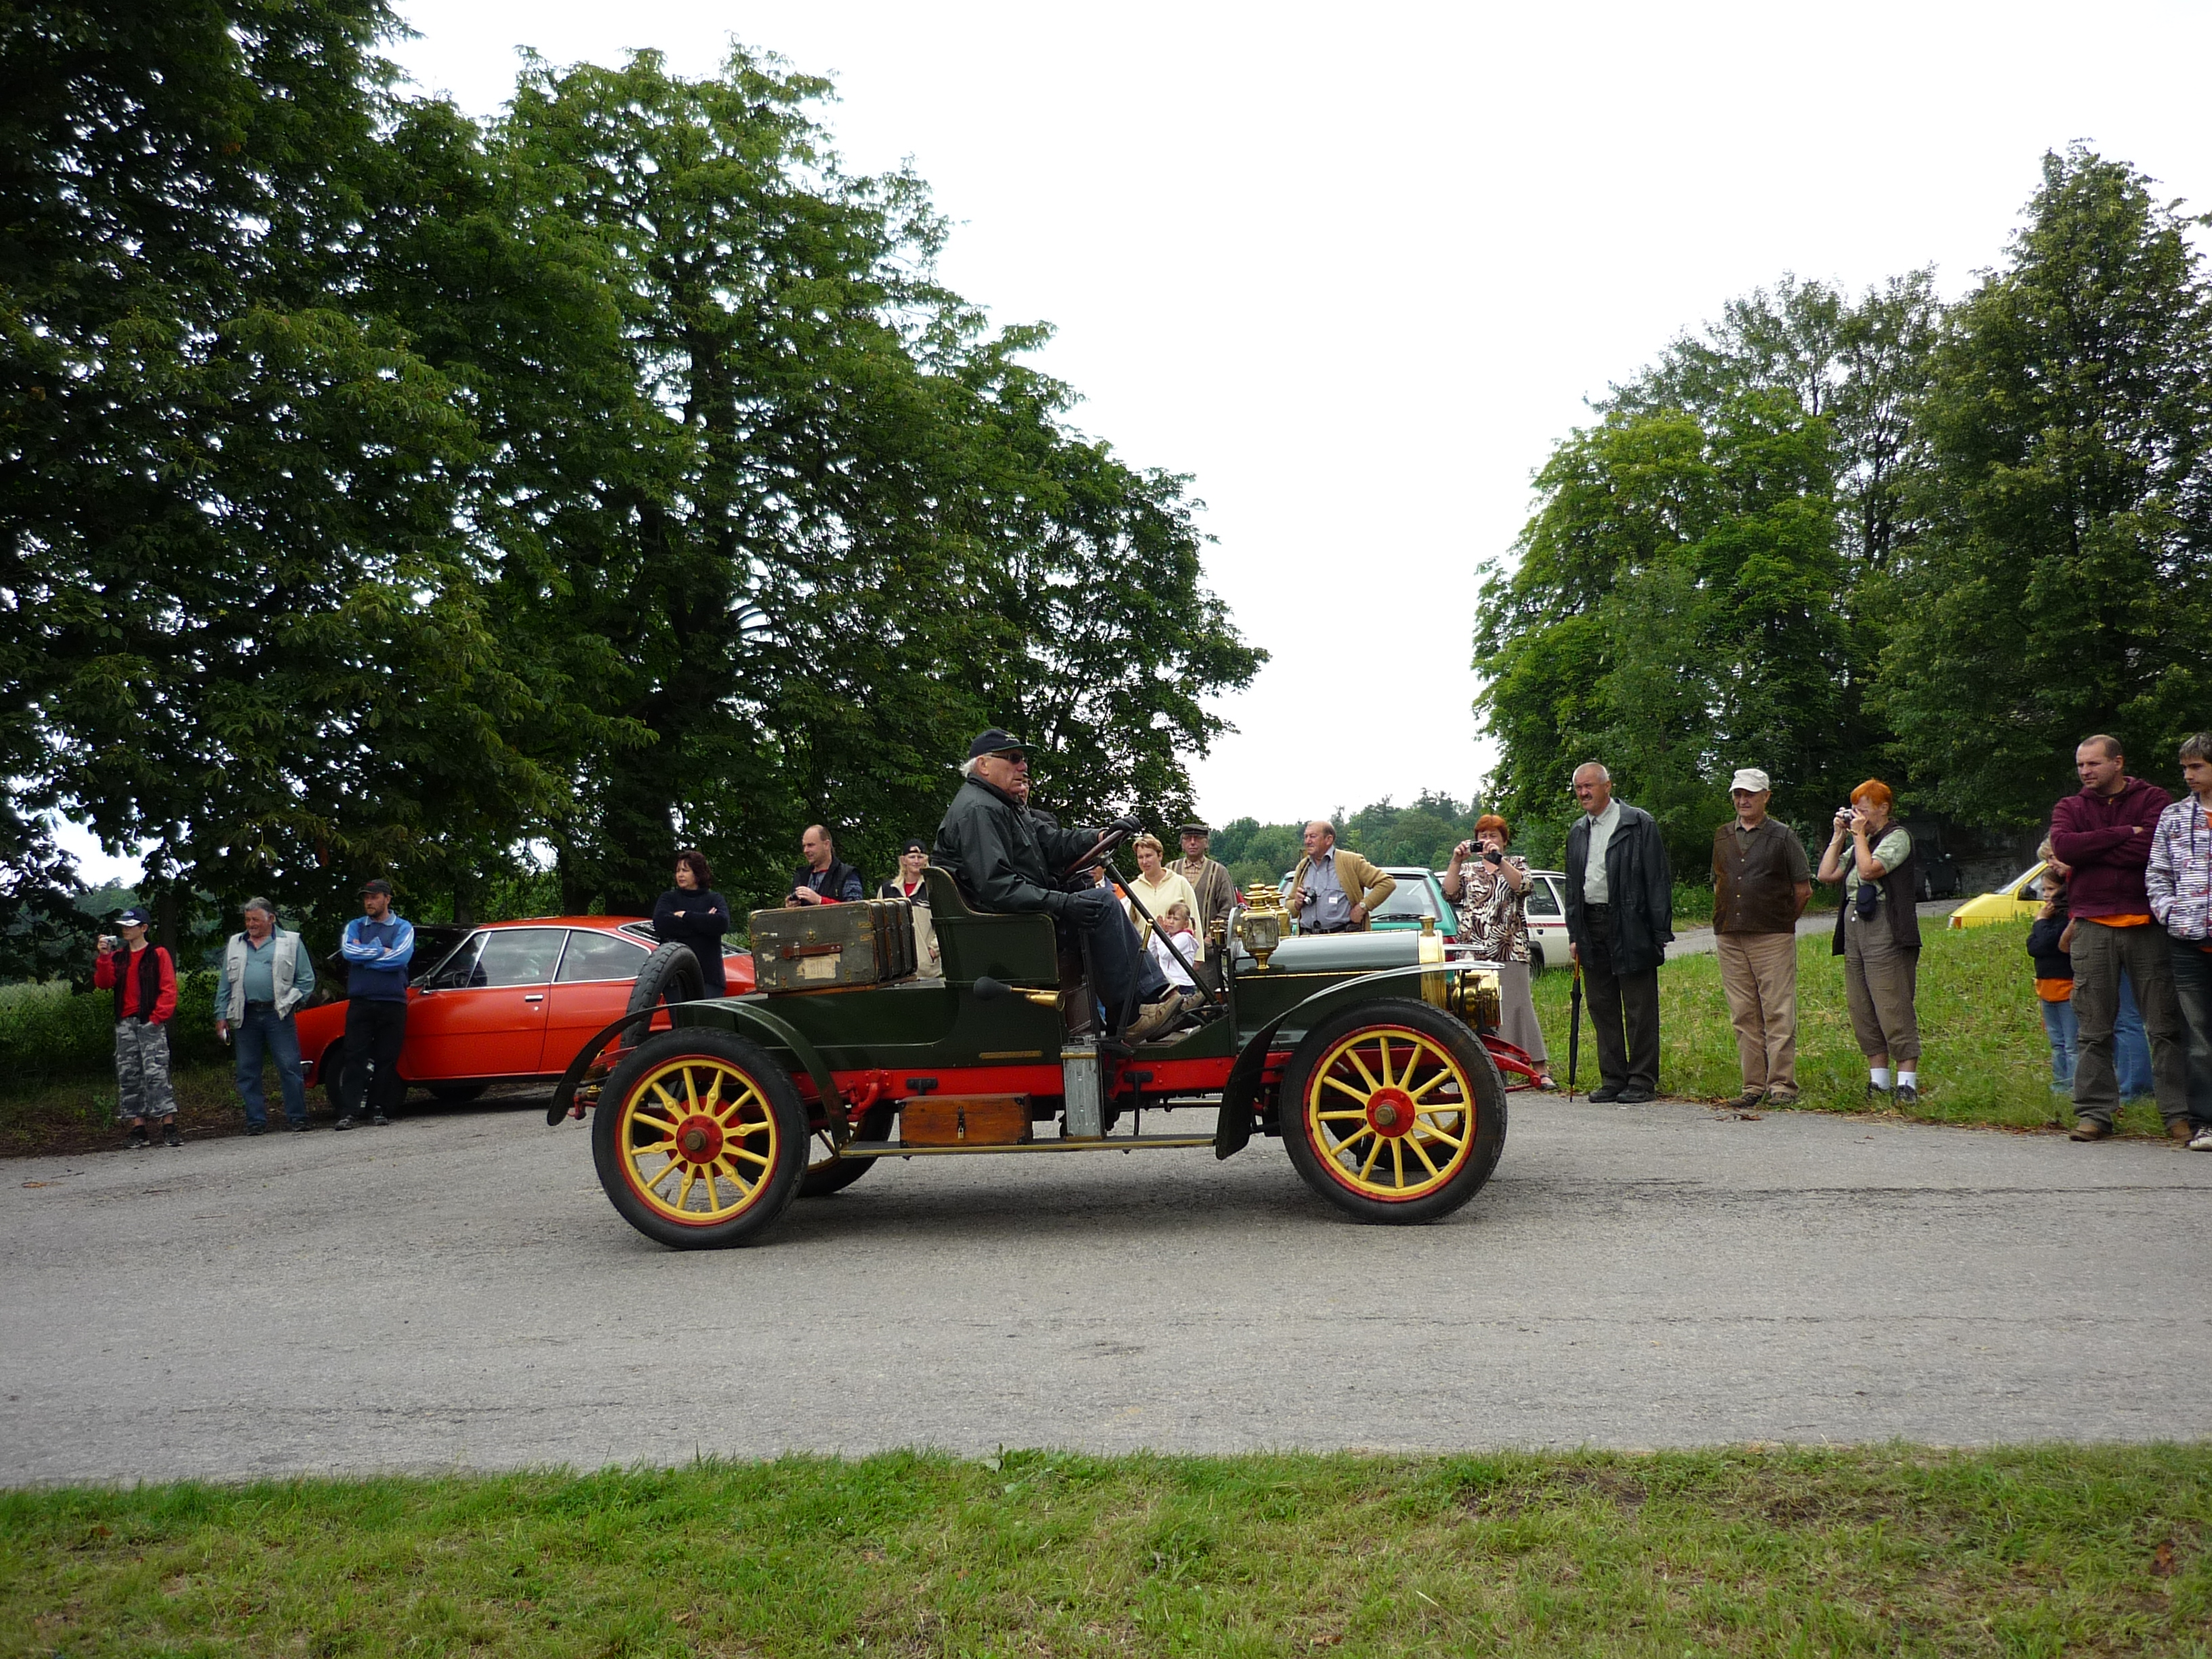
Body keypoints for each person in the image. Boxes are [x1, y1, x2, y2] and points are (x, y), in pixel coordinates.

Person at [933, 728, 1185, 1044]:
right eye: (1013, 759)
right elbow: (997, 887)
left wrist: (1100, 835)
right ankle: (1132, 1015)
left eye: (1023, 759)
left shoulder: (1003, 806)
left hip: (1017, 922)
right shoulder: (980, 810)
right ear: (983, 765)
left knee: (1092, 898)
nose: (1023, 766)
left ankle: (1153, 1001)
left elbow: (1053, 841)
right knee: (1101, 904)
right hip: (1007, 930)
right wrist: (1061, 903)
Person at [2049, 735, 2188, 1144]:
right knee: (2092, 1027)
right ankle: (2094, 1113)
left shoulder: (2154, 799)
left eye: (2093, 764)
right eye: (2080, 766)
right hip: (2092, 925)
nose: (2085, 772)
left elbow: (2152, 850)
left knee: (2164, 1025)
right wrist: (2124, 832)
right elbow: (2064, 847)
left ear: (2118, 763)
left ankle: (2177, 1115)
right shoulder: (2070, 806)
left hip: (2147, 924)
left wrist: (2092, 849)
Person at [1562, 763, 1673, 1103]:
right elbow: (1573, 888)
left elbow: (1657, 880)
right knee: (1601, 1004)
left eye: (1589, 786)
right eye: (1578, 788)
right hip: (1591, 924)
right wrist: (1574, 933)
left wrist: (1658, 932)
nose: (1583, 793)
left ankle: (1641, 1080)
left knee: (1639, 1006)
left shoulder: (1638, 823)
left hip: (1631, 921)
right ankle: (1613, 1077)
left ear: (1608, 785)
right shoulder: (1578, 832)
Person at [1711, 768, 1813, 1109]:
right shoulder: (1723, 836)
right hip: (1730, 935)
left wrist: (1782, 922)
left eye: (1750, 794)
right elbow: (1718, 883)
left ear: (1766, 797)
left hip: (1772, 936)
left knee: (1778, 1010)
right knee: (1743, 1013)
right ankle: (1753, 1084)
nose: (1743, 800)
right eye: (1738, 794)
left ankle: (1782, 1084)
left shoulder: (1783, 837)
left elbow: (1803, 890)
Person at [1818, 779, 1924, 1105]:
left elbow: (1868, 871)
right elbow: (1826, 874)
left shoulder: (1897, 837)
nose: (1858, 816)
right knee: (1861, 1004)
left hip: (1885, 926)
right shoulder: (1861, 838)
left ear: (1883, 808)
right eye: (1855, 810)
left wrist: (1859, 836)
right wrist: (1839, 835)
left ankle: (1907, 1083)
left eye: (1864, 809)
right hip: (1855, 926)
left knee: (1891, 1001)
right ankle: (1878, 1081)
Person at [1441, 813, 1553, 1089]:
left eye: (1493, 836)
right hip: (1474, 950)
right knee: (1473, 1011)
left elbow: (1523, 887)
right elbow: (1449, 894)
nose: (1487, 841)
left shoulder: (1515, 864)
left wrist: (1499, 861)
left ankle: (1540, 1068)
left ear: (1504, 841)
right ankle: (1481, 1072)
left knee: (1518, 1007)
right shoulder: (1469, 871)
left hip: (1510, 948)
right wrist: (1456, 861)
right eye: (1482, 837)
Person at [2043, 840, 2154, 1102]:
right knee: (2110, 1021)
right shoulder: (2073, 880)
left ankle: (2136, 1089)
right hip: (2099, 949)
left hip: (2122, 940)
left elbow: (2084, 915)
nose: (2051, 864)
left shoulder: (2090, 876)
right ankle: (2120, 1084)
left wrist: (2067, 938)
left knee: (2127, 1019)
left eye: (2053, 857)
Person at [2146, 731, 2212, 1149]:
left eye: (2198, 767)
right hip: (2188, 942)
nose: (2189, 775)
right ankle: (2204, 1121)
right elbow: (2157, 874)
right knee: (2199, 1036)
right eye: (2185, 768)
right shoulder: (2172, 816)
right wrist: (2173, 913)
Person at [216, 897, 316, 1134]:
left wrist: (291, 1002)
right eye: (248, 919)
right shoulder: (235, 943)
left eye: (256, 920)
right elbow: (224, 984)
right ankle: (255, 1121)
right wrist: (221, 1016)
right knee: (247, 1069)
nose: (251, 924)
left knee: (289, 1066)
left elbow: (306, 980)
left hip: (278, 1014)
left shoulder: (291, 942)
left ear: (271, 919)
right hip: (245, 1013)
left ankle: (298, 1117)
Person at [94, 906, 179, 1148]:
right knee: (129, 1074)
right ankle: (138, 1127)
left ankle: (169, 1125)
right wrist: (103, 958)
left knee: (157, 1073)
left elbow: (169, 988)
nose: (126, 930)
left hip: (149, 1021)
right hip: (125, 1024)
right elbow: (104, 983)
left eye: (131, 926)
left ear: (144, 928)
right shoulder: (118, 957)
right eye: (124, 926)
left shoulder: (158, 954)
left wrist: (156, 1018)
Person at [336, 878, 414, 1130]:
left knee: (387, 1058)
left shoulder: (403, 927)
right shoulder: (355, 926)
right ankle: (349, 1111)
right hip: (361, 1001)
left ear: (387, 899)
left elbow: (400, 958)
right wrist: (381, 950)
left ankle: (379, 1108)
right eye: (366, 897)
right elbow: (348, 952)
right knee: (354, 1055)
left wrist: (366, 955)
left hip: (393, 1001)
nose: (369, 902)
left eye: (374, 897)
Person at [1286, 821, 1395, 935]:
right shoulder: (1303, 867)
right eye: (1306, 837)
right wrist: (1296, 904)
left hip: (1342, 940)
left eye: (1313, 837)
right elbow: (1289, 907)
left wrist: (1362, 907)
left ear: (1329, 839)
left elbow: (1387, 883)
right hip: (1307, 939)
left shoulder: (1350, 862)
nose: (1307, 841)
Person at [653, 848, 731, 996]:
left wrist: (685, 916)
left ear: (697, 872)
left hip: (708, 978)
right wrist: (704, 922)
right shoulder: (668, 898)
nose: (680, 875)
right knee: (681, 1019)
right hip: (676, 979)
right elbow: (662, 925)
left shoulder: (714, 899)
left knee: (705, 1020)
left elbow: (721, 923)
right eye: (678, 871)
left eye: (685, 870)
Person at [2028, 863, 2078, 1096]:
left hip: (2067, 987)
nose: (2047, 894)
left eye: (2051, 889)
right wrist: (2040, 925)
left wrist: (2040, 923)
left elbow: (2049, 943)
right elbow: (2033, 946)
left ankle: (2076, 1086)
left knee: (2072, 1044)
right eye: (2044, 889)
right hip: (2046, 987)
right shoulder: (2046, 916)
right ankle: (2060, 1084)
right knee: (2056, 1043)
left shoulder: (2062, 917)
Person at [1125, 834, 1202, 956]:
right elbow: (1128, 924)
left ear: (1160, 856)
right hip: (1145, 956)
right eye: (1140, 857)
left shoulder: (1180, 883)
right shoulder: (1132, 889)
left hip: (1176, 955)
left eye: (1149, 856)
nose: (1144, 861)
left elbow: (1194, 919)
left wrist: (1198, 956)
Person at [876, 838, 942, 979]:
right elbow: (878, 925)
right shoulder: (888, 890)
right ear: (903, 860)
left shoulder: (933, 888)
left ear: (926, 859)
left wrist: (933, 951)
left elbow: (943, 924)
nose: (916, 861)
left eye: (920, 857)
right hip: (894, 969)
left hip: (926, 969)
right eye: (912, 857)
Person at [1174, 823, 1237, 946]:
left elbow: (1228, 910)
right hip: (1173, 950)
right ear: (1182, 844)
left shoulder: (1218, 872)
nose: (1192, 842)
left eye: (1197, 838)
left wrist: (1209, 939)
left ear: (1206, 843)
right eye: (1187, 838)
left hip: (1207, 952)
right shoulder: (1170, 870)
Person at [1147, 901, 1206, 1010]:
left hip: (1182, 985)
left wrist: (1160, 934)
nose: (1171, 922)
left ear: (1185, 924)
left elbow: (1166, 954)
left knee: (1182, 1014)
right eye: (1169, 918)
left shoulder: (1184, 938)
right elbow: (1150, 952)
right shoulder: (1167, 937)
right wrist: (1155, 933)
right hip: (1169, 984)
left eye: (1176, 919)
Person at [787, 825, 863, 907]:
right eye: (804, 846)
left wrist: (820, 900)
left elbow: (855, 910)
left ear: (826, 845)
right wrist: (790, 907)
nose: (806, 851)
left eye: (811, 845)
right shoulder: (801, 876)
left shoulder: (848, 874)